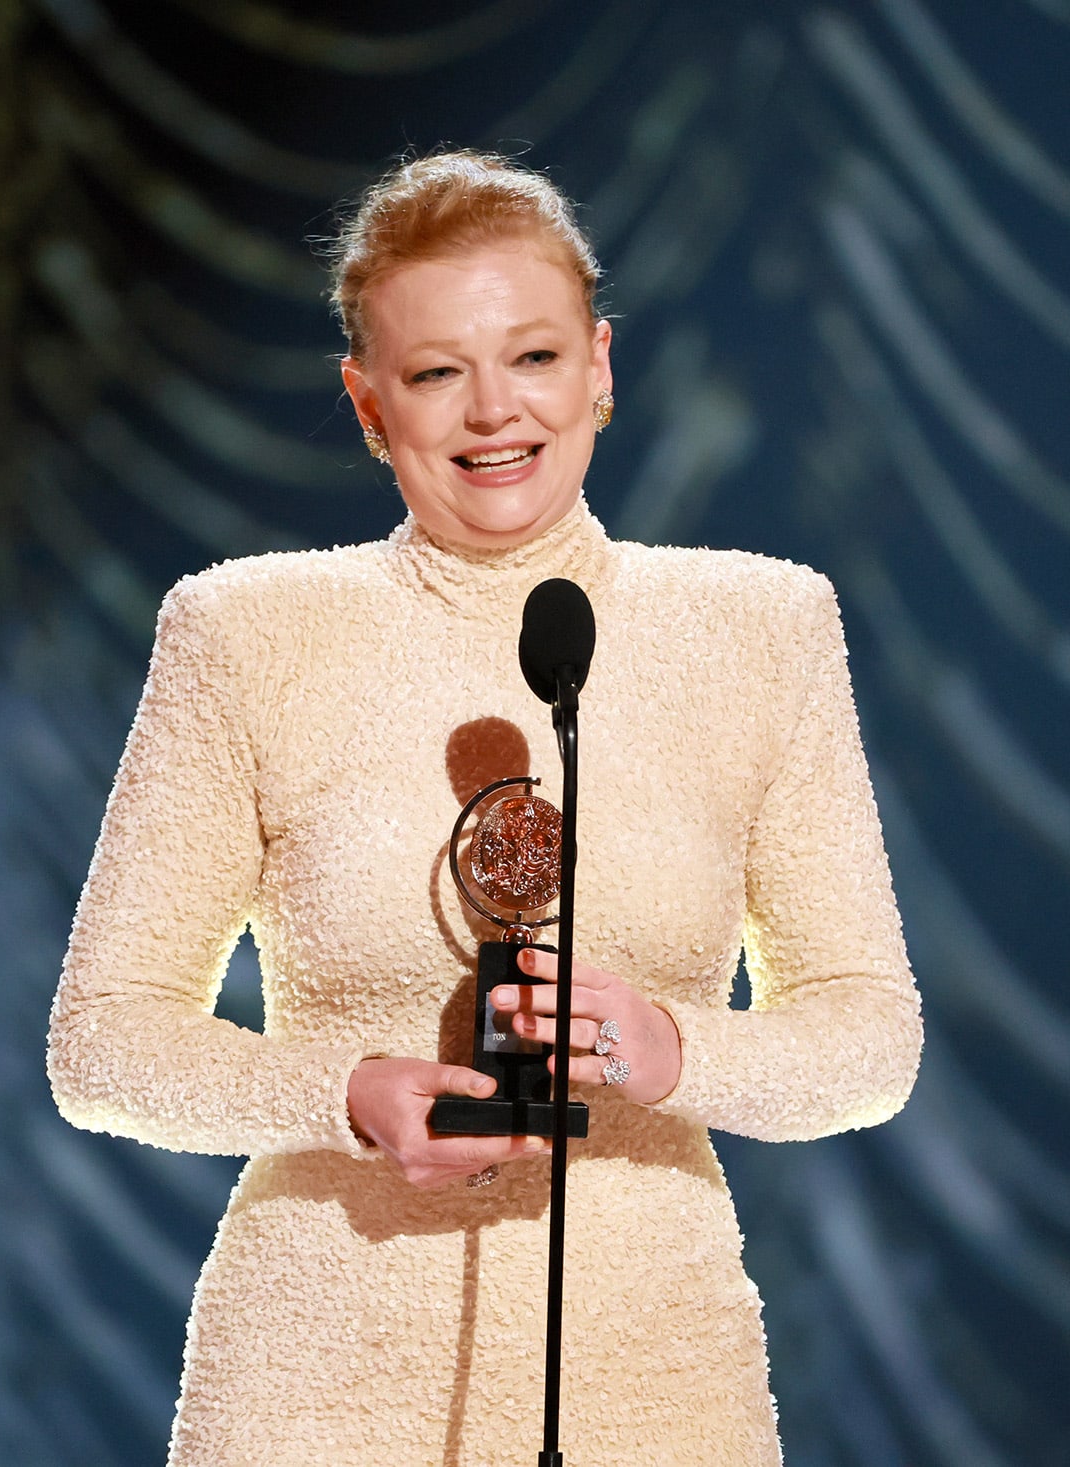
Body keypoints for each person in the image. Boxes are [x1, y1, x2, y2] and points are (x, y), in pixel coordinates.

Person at [47, 150, 922, 1466]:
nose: (493, 411)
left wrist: (679, 1049)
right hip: (317, 1393)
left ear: (602, 366)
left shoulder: (759, 632)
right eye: (437, 371)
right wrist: (347, 1095)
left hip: (654, 1385)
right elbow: (103, 1045)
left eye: (534, 357)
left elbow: (868, 1037)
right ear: (367, 401)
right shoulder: (245, 635)